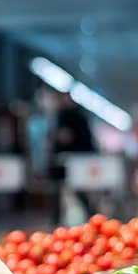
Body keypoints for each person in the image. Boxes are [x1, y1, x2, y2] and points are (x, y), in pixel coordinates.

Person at [48, 92, 97, 224]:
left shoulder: (70, 116)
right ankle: (91, 215)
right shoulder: (69, 115)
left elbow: (65, 137)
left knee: (77, 189)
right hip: (68, 161)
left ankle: (91, 214)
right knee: (67, 190)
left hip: (75, 160)